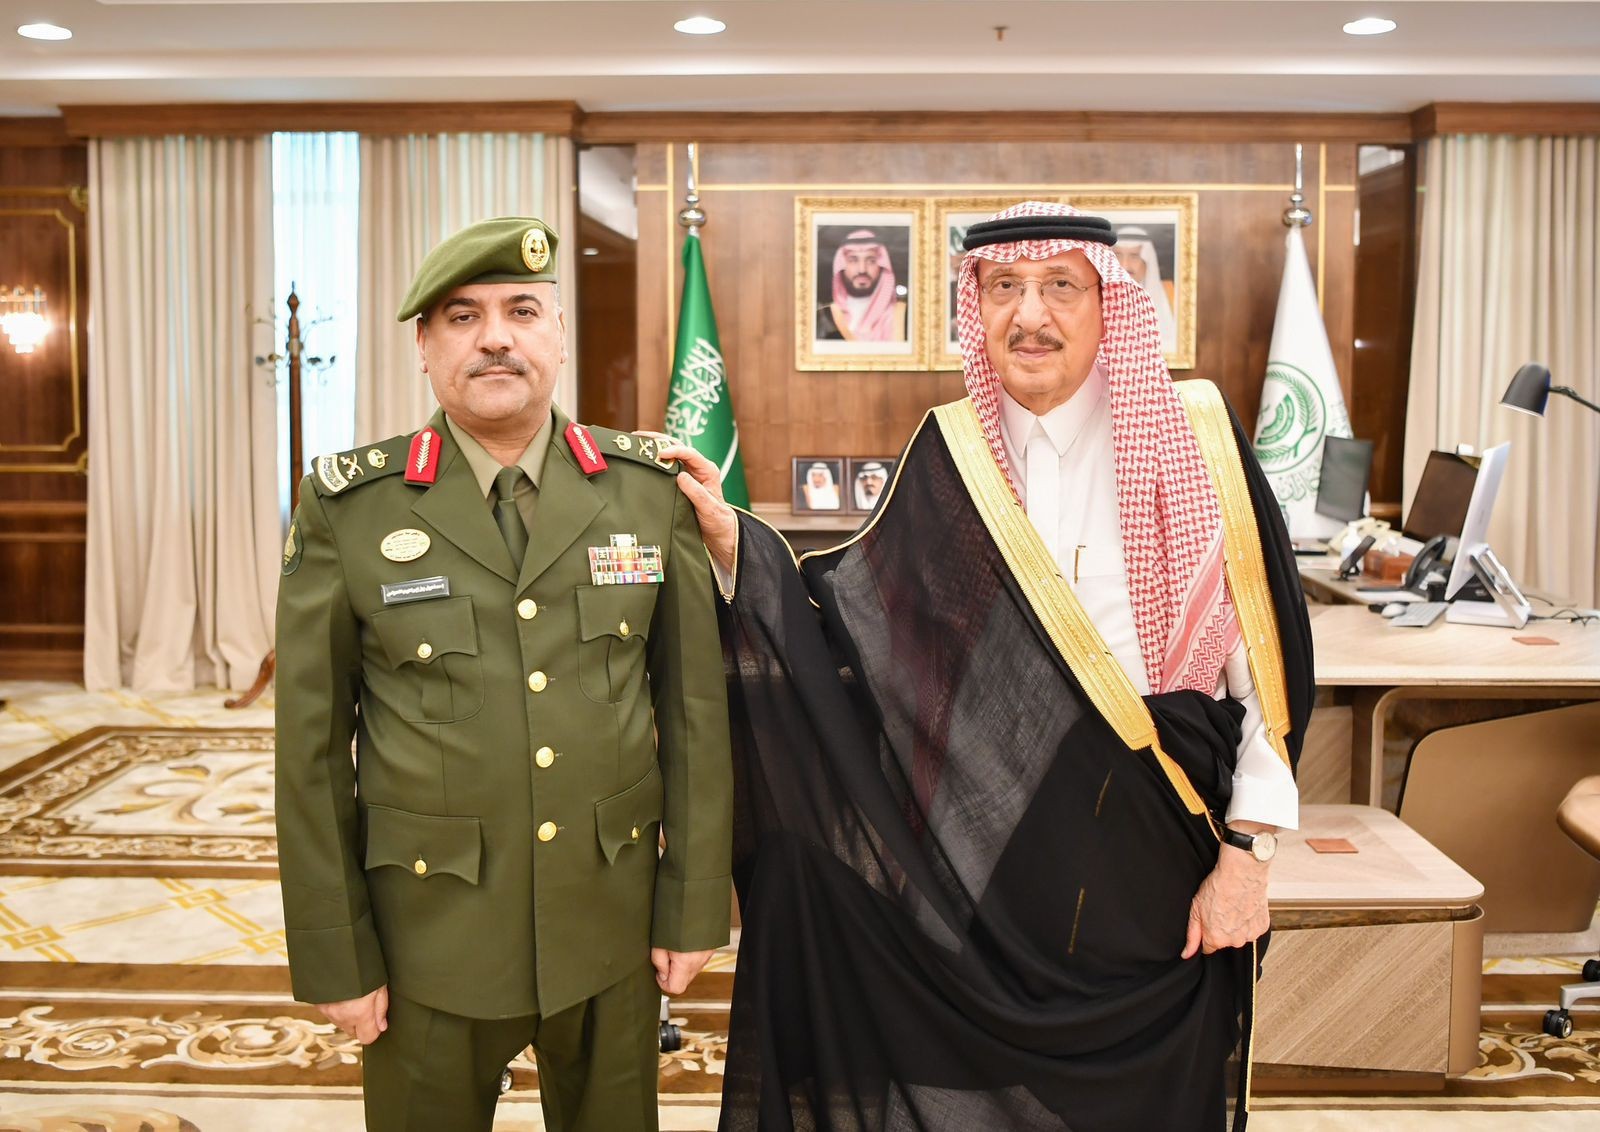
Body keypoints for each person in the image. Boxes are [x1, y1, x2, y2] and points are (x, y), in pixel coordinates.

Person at [662, 201, 1313, 1131]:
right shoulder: (951, 452)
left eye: (1060, 286)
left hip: (1159, 866)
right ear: (977, 305)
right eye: (1004, 287)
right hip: (992, 857)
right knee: (822, 901)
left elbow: (1267, 688)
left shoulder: (1196, 440)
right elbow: (856, 635)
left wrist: (1248, 861)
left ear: (1109, 301)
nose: (1029, 315)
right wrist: (737, 546)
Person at [274, 216, 733, 1132]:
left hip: (608, 925)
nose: (494, 337)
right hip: (427, 941)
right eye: (462, 316)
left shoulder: (648, 490)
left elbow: (693, 714)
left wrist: (692, 909)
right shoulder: (350, 508)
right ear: (424, 347)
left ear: (559, 335)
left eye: (523, 310)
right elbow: (311, 754)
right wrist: (335, 953)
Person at [816, 229, 908, 342]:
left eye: (871, 261)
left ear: (882, 266)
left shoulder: (903, 315)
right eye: (853, 260)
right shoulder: (823, 317)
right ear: (842, 265)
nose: (862, 269)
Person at [1114, 224, 1179, 354]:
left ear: (1148, 259)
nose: (1124, 265)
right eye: (1118, 255)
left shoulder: (1172, 295)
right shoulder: (1095, 298)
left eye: (1134, 256)